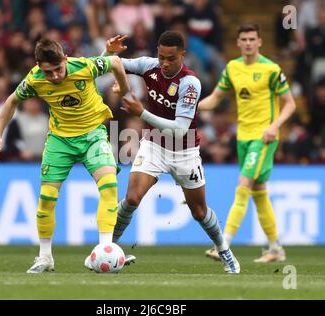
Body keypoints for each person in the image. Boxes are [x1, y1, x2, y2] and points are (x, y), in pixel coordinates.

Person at [102, 31, 240, 273]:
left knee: (199, 211)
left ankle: (224, 251)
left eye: (171, 58)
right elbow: (106, 64)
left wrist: (141, 113)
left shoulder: (190, 83)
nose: (165, 63)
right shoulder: (148, 65)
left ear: (182, 56)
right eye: (162, 57)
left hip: (184, 151)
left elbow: (180, 129)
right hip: (153, 144)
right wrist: (108, 51)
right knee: (132, 198)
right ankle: (107, 248)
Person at [0, 38, 131, 273]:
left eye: (58, 69)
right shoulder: (34, 79)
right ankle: (45, 257)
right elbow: (11, 101)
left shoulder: (83, 66)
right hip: (59, 140)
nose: (54, 76)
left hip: (92, 136)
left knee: (109, 187)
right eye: (48, 72)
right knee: (46, 200)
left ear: (65, 59)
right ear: (38, 66)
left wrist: (123, 89)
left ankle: (105, 249)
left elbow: (115, 62)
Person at [198, 23, 296, 263]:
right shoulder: (233, 68)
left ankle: (223, 245)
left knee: (242, 187)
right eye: (245, 39)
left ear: (260, 42)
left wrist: (274, 127)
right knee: (259, 193)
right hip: (243, 137)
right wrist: (190, 107)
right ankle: (275, 249)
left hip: (263, 138)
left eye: (253, 39)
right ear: (238, 43)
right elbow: (215, 98)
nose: (249, 43)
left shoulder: (271, 69)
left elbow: (290, 103)